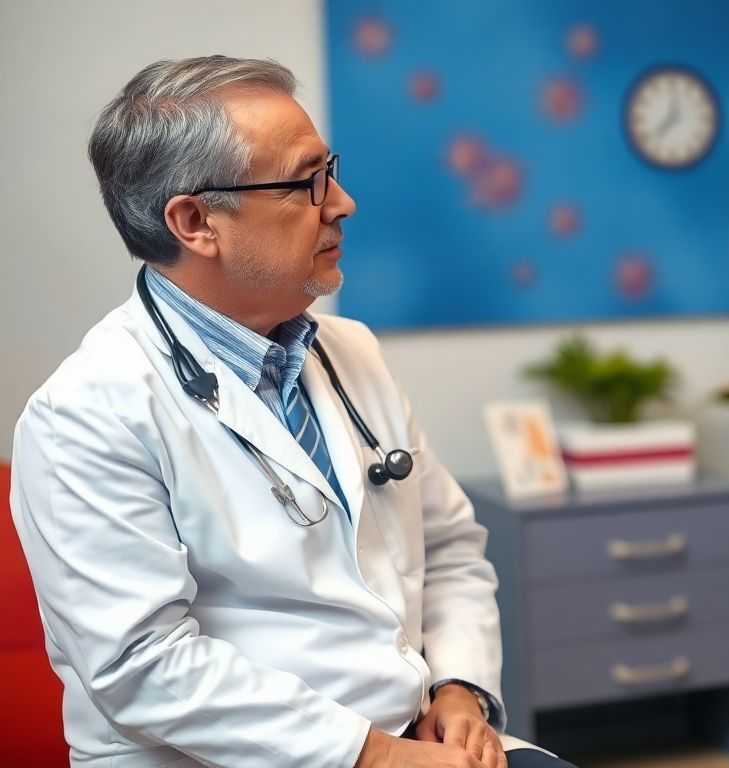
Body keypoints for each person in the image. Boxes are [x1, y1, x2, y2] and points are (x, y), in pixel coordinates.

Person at [9, 56, 575, 768]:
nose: (342, 202)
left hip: (410, 735)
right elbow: (143, 666)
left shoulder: (351, 353)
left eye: (329, 171)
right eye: (308, 182)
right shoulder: (87, 414)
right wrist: (372, 756)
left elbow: (452, 548)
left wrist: (459, 689)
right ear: (195, 221)